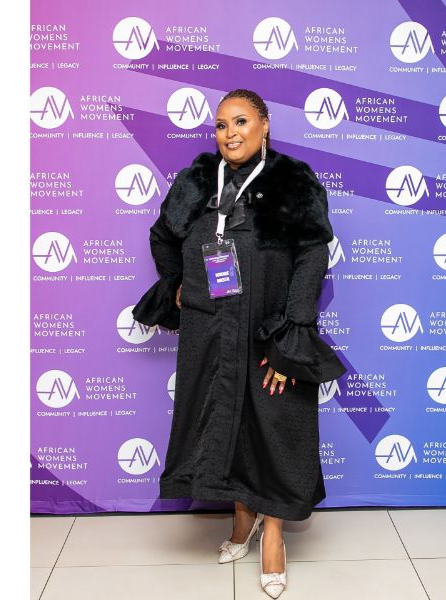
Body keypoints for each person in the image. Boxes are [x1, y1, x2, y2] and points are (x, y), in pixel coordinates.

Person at [133, 89, 346, 598]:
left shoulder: (292, 180)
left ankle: (273, 536)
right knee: (221, 417)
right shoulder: (197, 179)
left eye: (241, 121)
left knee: (273, 426)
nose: (230, 133)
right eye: (221, 125)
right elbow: (163, 235)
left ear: (265, 125)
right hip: (209, 327)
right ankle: (242, 518)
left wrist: (293, 333)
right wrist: (176, 283)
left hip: (267, 326)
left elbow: (312, 256)